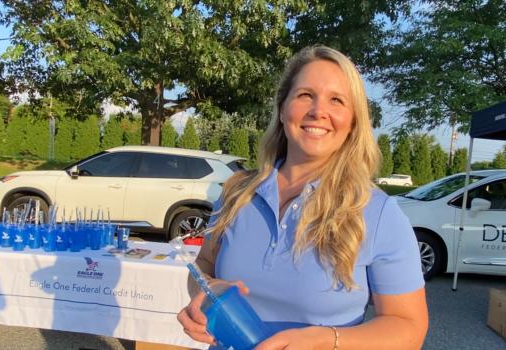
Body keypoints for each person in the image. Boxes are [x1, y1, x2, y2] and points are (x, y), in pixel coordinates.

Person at [177, 45, 428, 350]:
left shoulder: (377, 211)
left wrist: (328, 339)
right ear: (282, 109)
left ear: (352, 122)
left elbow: (409, 330)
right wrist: (205, 292)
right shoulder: (236, 191)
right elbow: (203, 266)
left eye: (336, 100)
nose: (318, 111)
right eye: (305, 95)